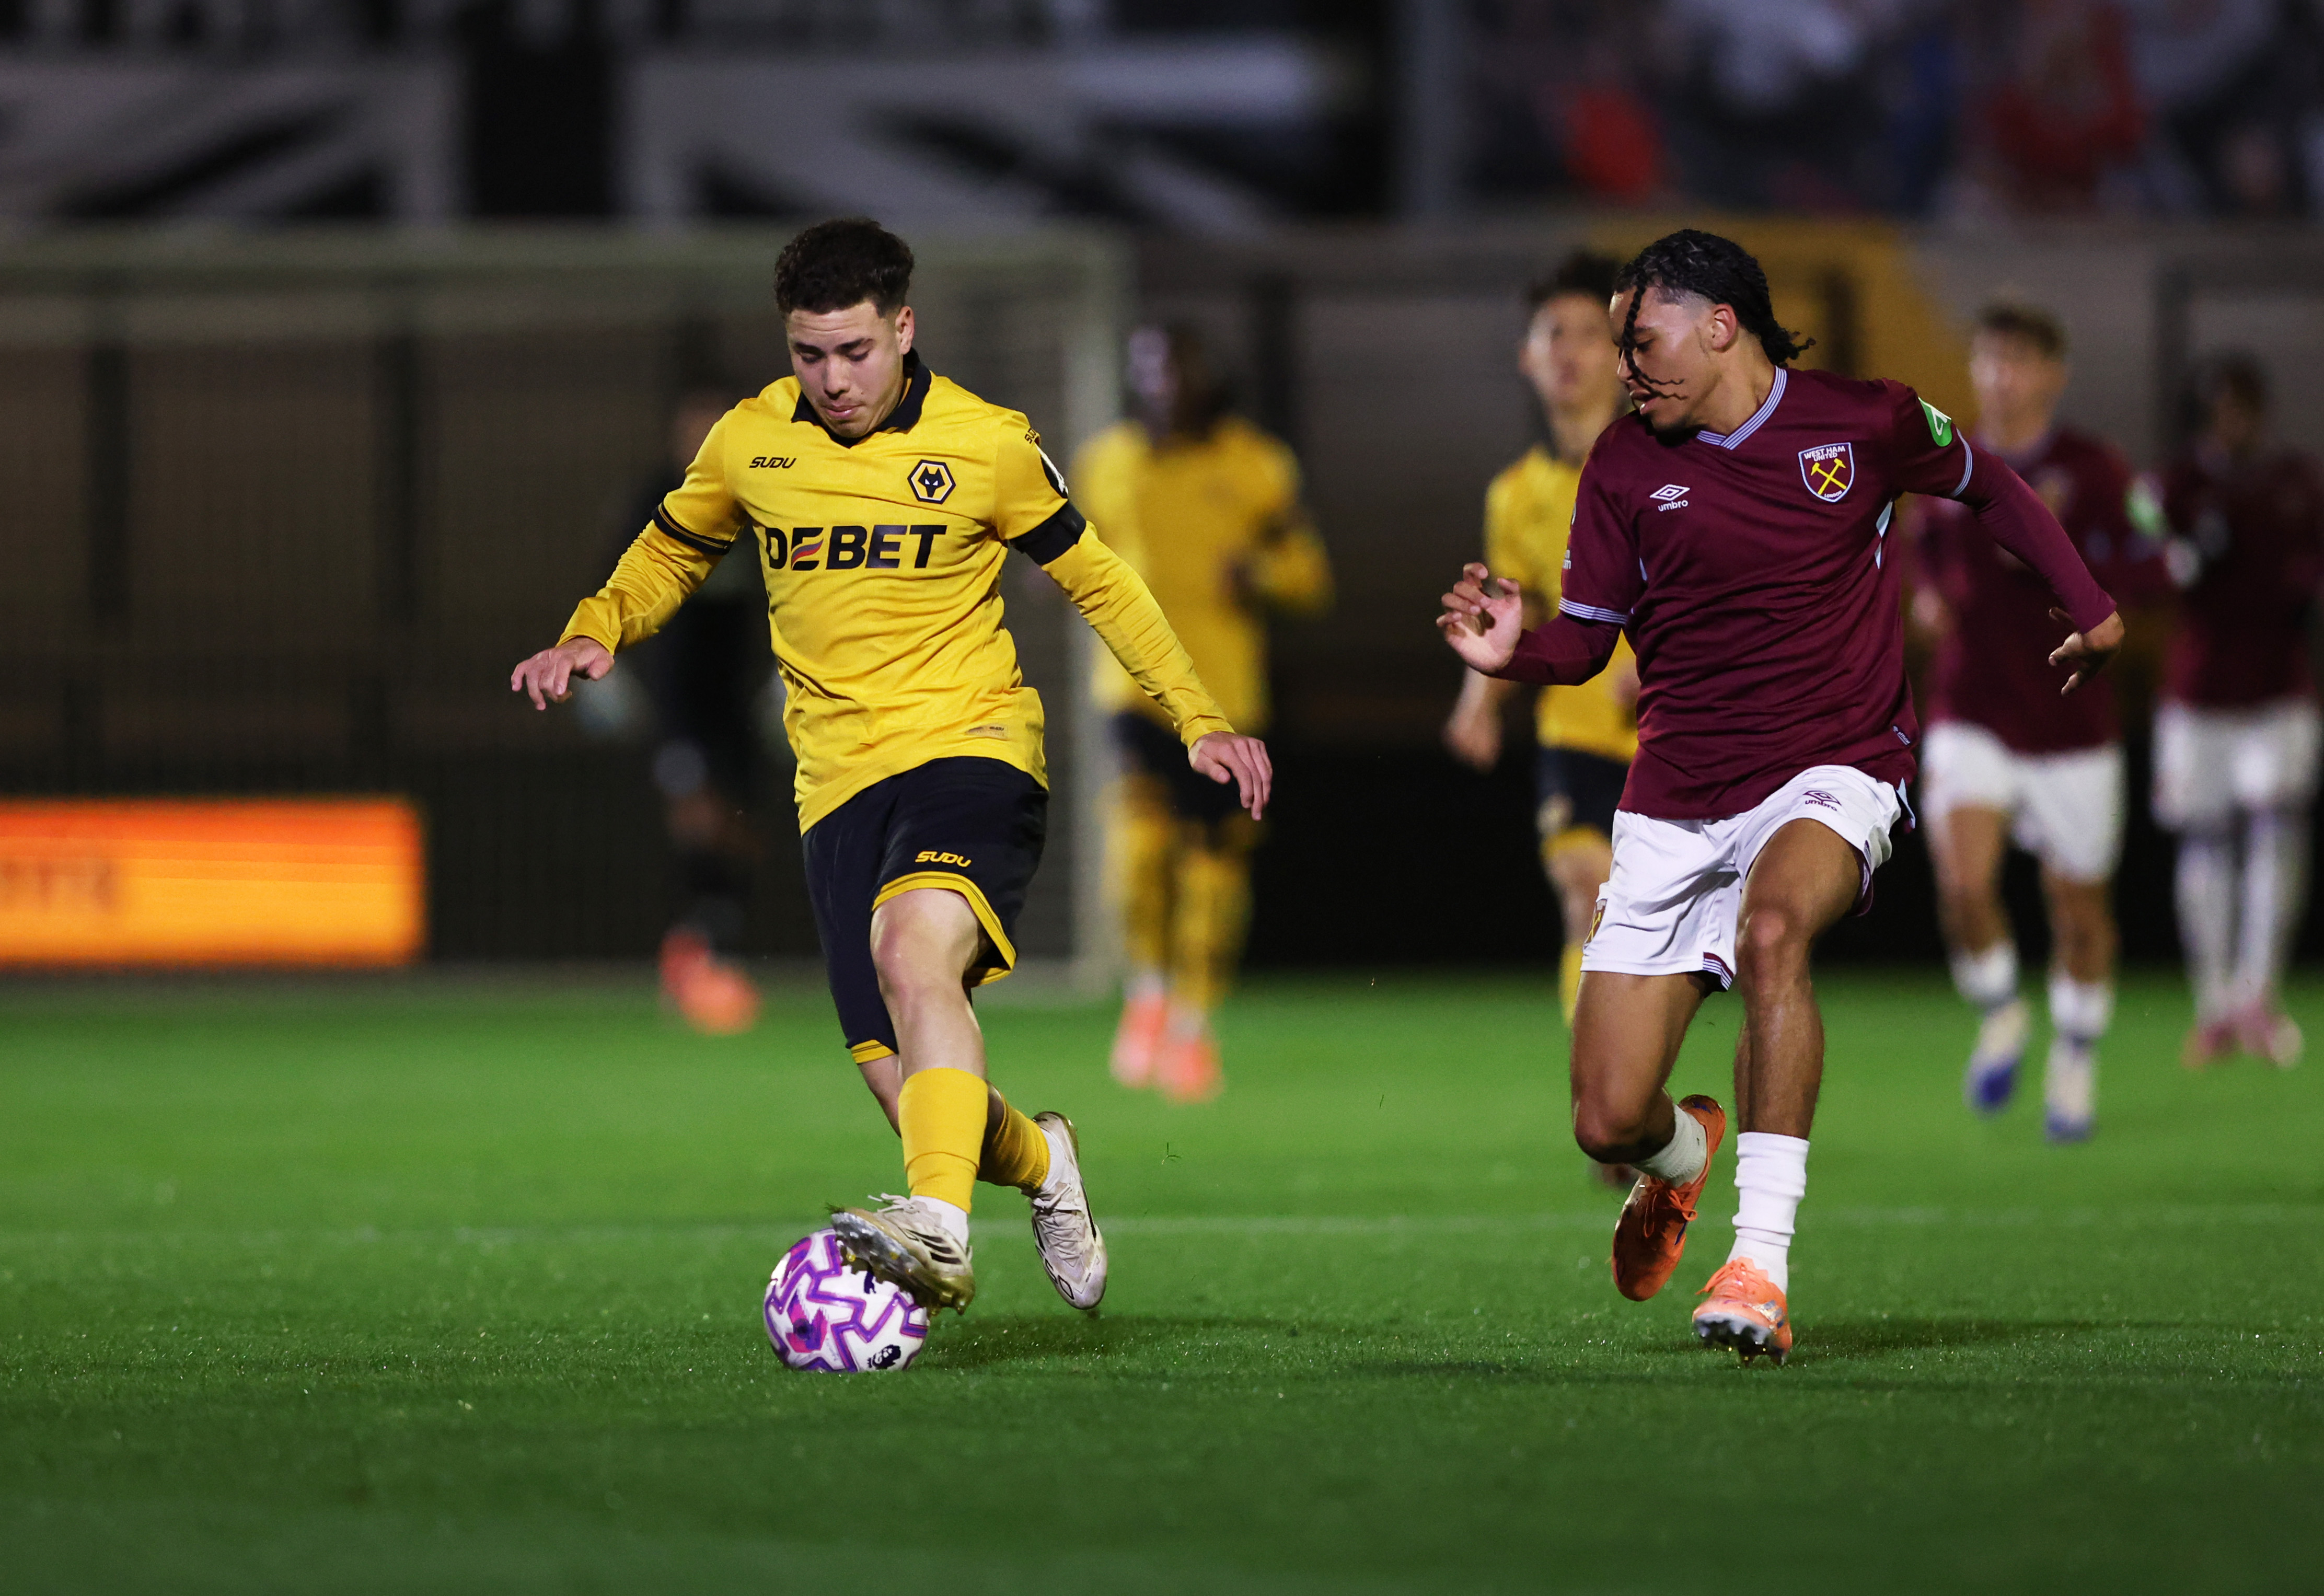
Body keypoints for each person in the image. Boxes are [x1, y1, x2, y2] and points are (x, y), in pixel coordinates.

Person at [511, 218, 1270, 1315]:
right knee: (905, 1086)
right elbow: (674, 544)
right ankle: (1045, 1164)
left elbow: (1099, 580)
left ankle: (941, 1237)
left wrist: (1199, 717)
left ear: (904, 329)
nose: (831, 380)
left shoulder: (986, 444)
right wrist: (598, 628)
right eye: (807, 354)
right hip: (836, 786)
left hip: (973, 751)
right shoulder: (750, 442)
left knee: (913, 944)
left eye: (855, 352)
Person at [1437, 229, 2121, 1364]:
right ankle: (1682, 1163)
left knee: (1771, 933)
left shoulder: (1864, 421)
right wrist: (1515, 650)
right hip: (1676, 796)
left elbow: (1989, 483)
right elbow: (1585, 644)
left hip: (1835, 766)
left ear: (1720, 328)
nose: (1623, 365)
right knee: (1605, 1118)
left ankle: (1759, 1264)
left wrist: (2089, 607)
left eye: (1639, 340)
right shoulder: (1618, 466)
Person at [1907, 302, 2172, 1141]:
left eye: (2017, 360)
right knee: (1959, 881)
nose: (1999, 376)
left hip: (2070, 720)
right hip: (1970, 707)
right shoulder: (1947, 462)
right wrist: (1921, 597)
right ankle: (1999, 1010)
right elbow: (1918, 554)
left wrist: (2099, 590)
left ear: (2052, 373)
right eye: (1988, 359)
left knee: (2078, 909)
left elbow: (2151, 557)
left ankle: (2075, 1056)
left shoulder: (2093, 469)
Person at [1074, 324, 1332, 1103]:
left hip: (1226, 700)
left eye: (1174, 367)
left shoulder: (1255, 466)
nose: (1161, 384)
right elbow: (1065, 552)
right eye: (1147, 368)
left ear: (1204, 378)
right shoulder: (1106, 464)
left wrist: (1258, 571)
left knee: (1213, 870)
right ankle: (1147, 994)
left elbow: (1308, 574)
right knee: (1138, 849)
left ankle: (1191, 1022)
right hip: (1134, 691)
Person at [1444, 249, 1636, 1032]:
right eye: (1552, 332)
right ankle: (1601, 1091)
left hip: (1677, 738)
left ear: (1622, 359)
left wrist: (1661, 671)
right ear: (1527, 356)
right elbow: (1506, 615)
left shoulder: (1666, 471)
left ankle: (1640, 1092)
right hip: (1576, 730)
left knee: (1662, 934)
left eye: (1589, 332)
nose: (1568, 349)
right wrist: (1477, 704)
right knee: (1584, 896)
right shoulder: (1516, 494)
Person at [2155, 355, 2324, 1070]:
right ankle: (2213, 1002)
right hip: (2198, 690)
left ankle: (2256, 994)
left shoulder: (2295, 482)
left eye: (2242, 405)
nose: (2232, 419)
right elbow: (2137, 553)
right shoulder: (2173, 485)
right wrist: (2178, 556)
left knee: (2273, 827)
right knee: (2204, 838)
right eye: (2221, 405)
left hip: (2277, 685)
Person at [612, 386, 770, 1035]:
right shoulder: (655, 501)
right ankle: (696, 959)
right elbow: (615, 584)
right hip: (675, 696)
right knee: (698, 817)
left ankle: (701, 947)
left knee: (741, 827)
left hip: (737, 696)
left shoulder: (755, 502)